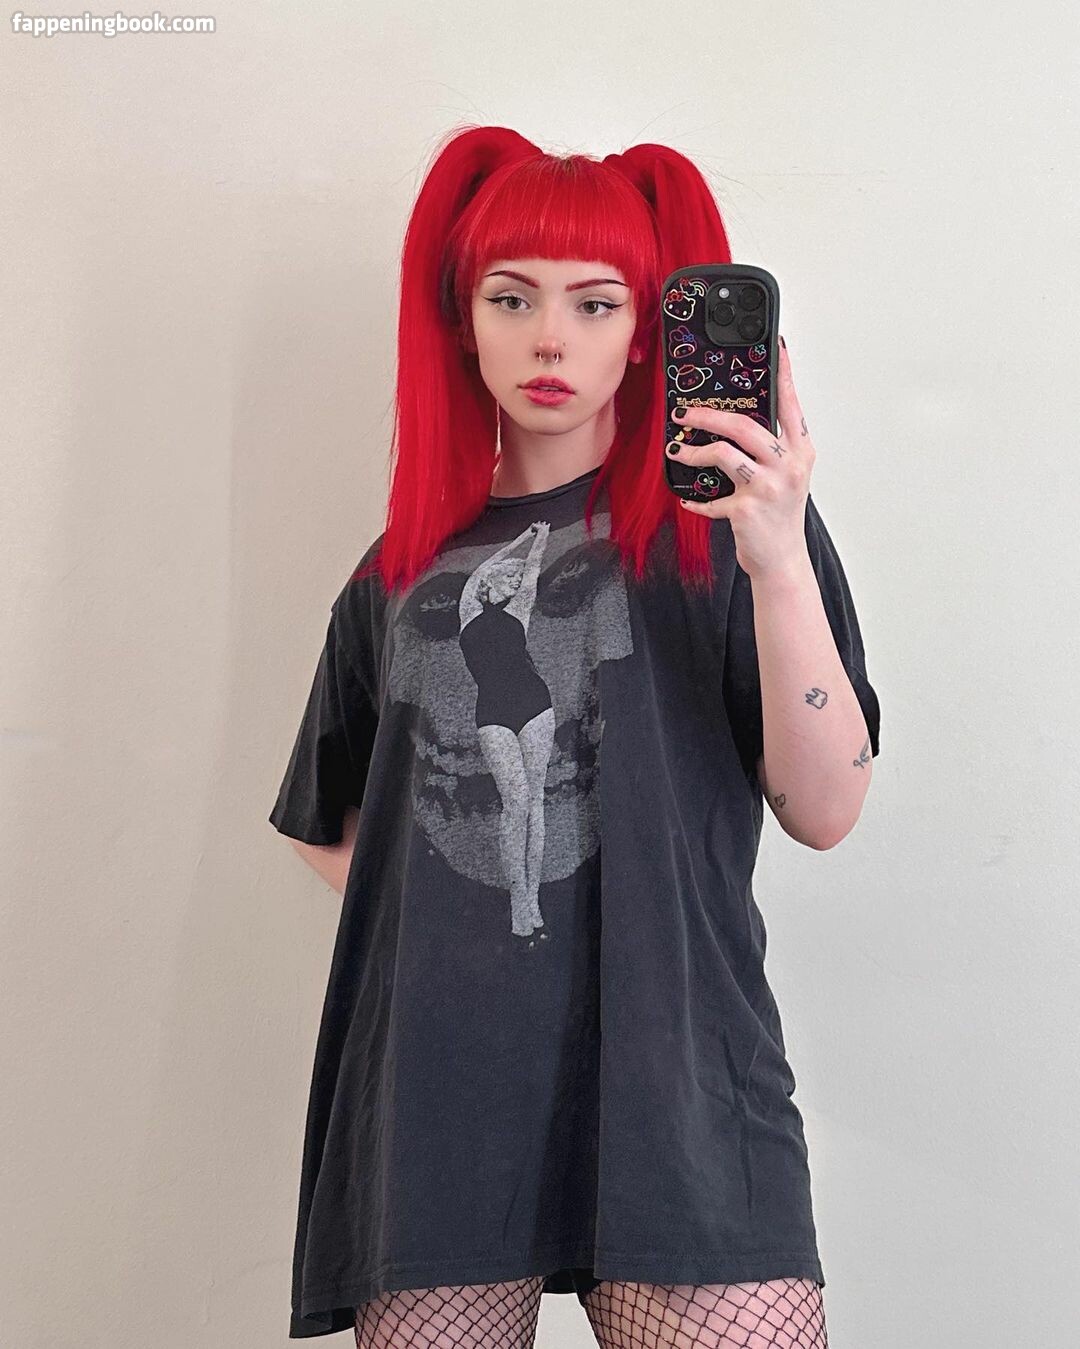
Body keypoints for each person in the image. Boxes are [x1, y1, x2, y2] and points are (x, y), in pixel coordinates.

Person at [268, 124, 881, 1348]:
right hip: (438, 1109)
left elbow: (827, 808)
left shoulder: (732, 534)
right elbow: (332, 822)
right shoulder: (396, 575)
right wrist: (473, 916)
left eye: (596, 303)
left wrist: (777, 559)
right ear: (462, 321)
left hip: (684, 1087)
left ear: (647, 330)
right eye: (513, 298)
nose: (551, 339)